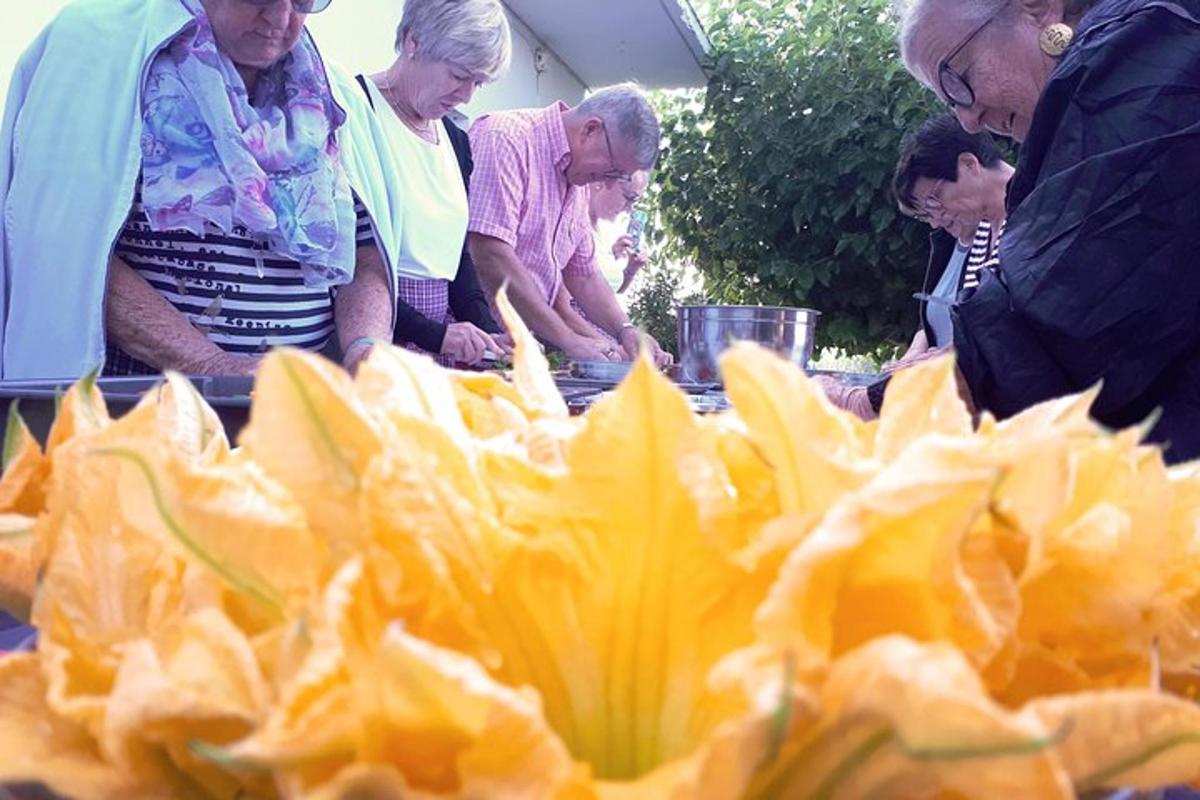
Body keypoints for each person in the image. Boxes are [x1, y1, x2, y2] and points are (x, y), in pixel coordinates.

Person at [0, 0, 400, 380]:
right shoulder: (106, 61)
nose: (280, 16)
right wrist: (210, 363)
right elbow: (69, 246)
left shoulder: (328, 96)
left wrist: (366, 345)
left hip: (290, 410)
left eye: (303, 1)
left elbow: (365, 253)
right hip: (140, 407)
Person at [891, 0, 1200, 462]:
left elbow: (1064, 315)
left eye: (957, 80)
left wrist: (881, 403)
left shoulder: (1143, 50)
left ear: (1036, 9)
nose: (967, 119)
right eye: (948, 101)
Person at [349, 0, 514, 367]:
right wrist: (434, 334)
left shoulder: (456, 141)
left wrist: (486, 330)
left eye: (479, 82)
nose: (467, 95)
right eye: (459, 75)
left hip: (436, 347)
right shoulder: (352, 109)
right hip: (369, 338)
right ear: (413, 41)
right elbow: (343, 262)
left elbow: (456, 262)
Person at [466, 84, 671, 365]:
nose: (608, 182)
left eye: (619, 176)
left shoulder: (576, 180)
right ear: (590, 129)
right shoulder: (507, 138)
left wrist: (625, 330)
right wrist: (569, 340)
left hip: (515, 356)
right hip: (471, 347)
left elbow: (584, 274)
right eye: (612, 170)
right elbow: (489, 253)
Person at [892, 113, 1012, 353]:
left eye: (934, 201)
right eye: (926, 212)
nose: (936, 223)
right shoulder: (983, 231)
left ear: (969, 164)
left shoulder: (1037, 213)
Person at [589, 171, 650, 296]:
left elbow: (611, 290)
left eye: (635, 201)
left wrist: (631, 268)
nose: (630, 208)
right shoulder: (574, 226)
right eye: (628, 197)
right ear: (602, 182)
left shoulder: (606, 230)